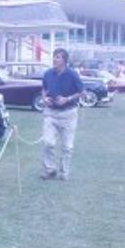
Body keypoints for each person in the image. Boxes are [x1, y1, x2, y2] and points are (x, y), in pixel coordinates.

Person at [40, 48, 85, 181]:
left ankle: (64, 172)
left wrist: (67, 99)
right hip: (51, 114)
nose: (55, 59)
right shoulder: (48, 73)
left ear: (64, 60)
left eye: (58, 57)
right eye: (54, 56)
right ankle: (50, 170)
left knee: (67, 146)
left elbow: (81, 92)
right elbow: (44, 89)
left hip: (68, 114)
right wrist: (44, 98)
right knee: (48, 143)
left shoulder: (72, 75)